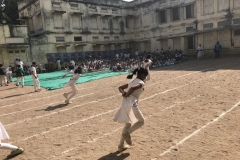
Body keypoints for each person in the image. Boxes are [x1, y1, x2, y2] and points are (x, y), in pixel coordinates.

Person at [113, 67, 149, 152]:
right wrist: (126, 94)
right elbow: (133, 89)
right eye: (145, 76)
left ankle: (120, 146)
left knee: (127, 124)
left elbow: (120, 87)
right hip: (132, 104)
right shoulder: (140, 83)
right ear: (142, 75)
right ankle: (128, 133)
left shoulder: (132, 81)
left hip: (125, 104)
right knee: (141, 121)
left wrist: (124, 93)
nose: (145, 78)